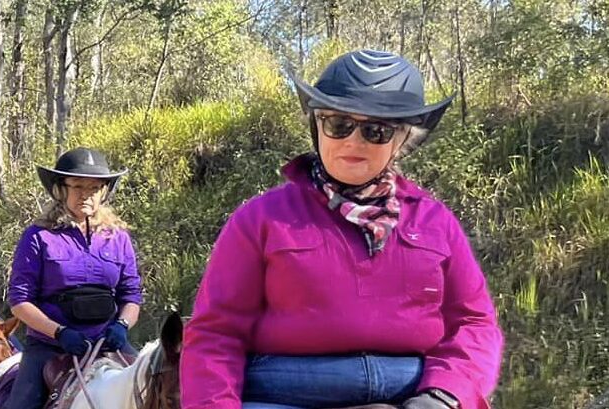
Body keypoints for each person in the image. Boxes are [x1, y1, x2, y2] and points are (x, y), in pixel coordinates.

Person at [180, 50, 503, 409]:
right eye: (338, 124)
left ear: (401, 140)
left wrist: (444, 395)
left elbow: (474, 323)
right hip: (285, 395)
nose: (353, 141)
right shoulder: (260, 220)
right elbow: (216, 333)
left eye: (375, 130)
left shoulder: (436, 222)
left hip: (414, 393)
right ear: (317, 126)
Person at [3, 147, 144, 409]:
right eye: (77, 186)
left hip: (108, 341)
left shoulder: (119, 238)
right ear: (61, 189)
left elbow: (131, 295)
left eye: (94, 188)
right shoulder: (38, 236)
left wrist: (122, 325)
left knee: (156, 388)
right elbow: (20, 301)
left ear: (104, 192)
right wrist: (60, 333)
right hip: (50, 346)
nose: (86, 194)